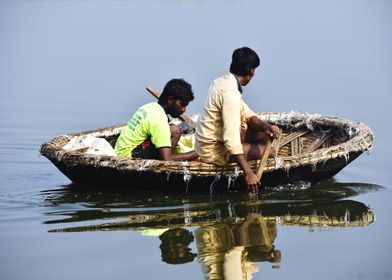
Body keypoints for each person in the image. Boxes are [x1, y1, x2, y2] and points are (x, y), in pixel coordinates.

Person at [195, 47, 280, 193]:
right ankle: (235, 160)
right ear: (251, 71)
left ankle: (263, 133)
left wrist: (268, 127)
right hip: (213, 150)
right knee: (271, 152)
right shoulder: (230, 94)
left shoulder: (222, 81)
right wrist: (249, 173)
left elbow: (247, 114)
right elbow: (231, 140)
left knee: (265, 134)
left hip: (213, 139)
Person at [115, 79, 199, 161]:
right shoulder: (159, 119)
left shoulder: (150, 106)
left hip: (120, 150)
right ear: (170, 100)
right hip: (127, 156)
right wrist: (199, 152)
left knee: (173, 129)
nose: (184, 110)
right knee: (175, 131)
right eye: (182, 104)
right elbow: (167, 159)